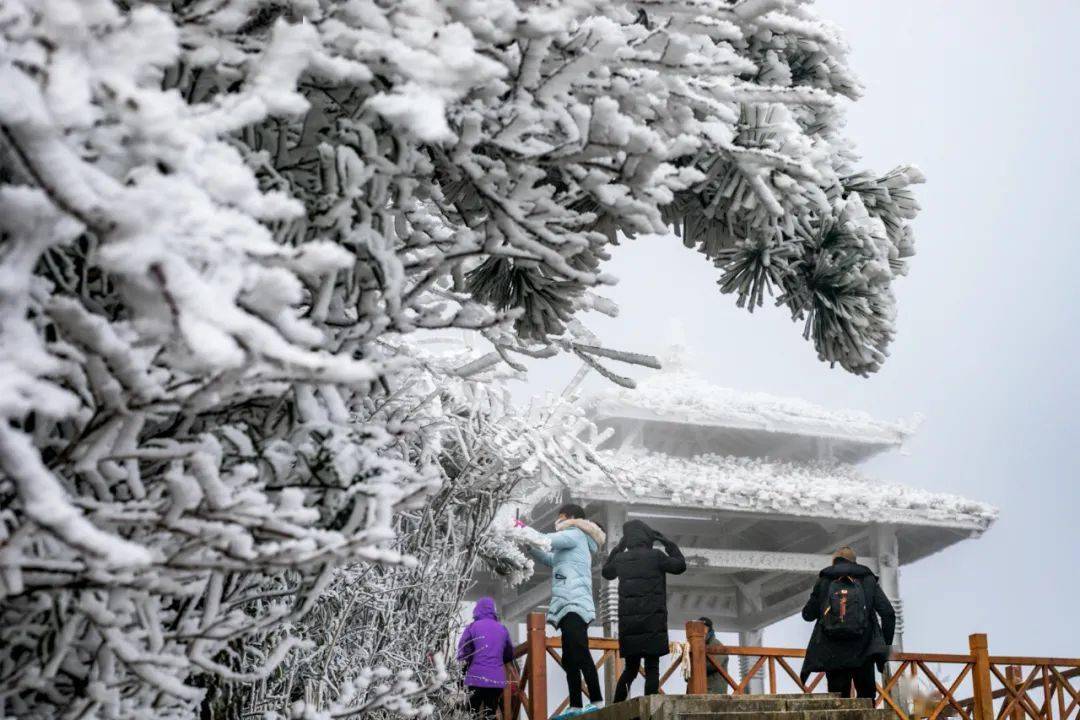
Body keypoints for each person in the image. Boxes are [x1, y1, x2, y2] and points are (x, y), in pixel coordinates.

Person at [529, 503, 607, 717]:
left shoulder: (575, 534)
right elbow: (550, 558)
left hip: (574, 604)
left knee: (580, 652)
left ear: (571, 517)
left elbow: (547, 540)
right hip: (566, 605)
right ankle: (575, 705)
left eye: (560, 516)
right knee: (570, 658)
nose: (558, 520)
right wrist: (528, 546)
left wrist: (524, 532)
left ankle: (598, 701)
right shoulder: (572, 544)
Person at [601, 520, 686, 703]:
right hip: (653, 622)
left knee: (630, 670)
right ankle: (651, 708)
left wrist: (618, 548)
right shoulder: (656, 556)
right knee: (652, 668)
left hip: (629, 624)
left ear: (628, 539)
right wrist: (667, 543)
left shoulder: (621, 559)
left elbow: (607, 573)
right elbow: (680, 566)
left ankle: (616, 707)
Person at [799, 546, 896, 699]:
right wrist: (884, 646)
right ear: (854, 561)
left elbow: (807, 615)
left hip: (833, 653)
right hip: (865, 650)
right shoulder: (867, 579)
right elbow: (888, 613)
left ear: (834, 561)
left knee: (839, 702)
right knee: (866, 699)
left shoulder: (825, 580)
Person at [457, 597, 515, 720]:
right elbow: (509, 652)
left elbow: (463, 650)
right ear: (492, 610)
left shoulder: (472, 627)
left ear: (477, 609)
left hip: (476, 678)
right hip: (496, 680)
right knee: (491, 711)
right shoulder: (502, 629)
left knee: (472, 712)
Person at [699, 617, 730, 694]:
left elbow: (711, 665)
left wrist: (691, 668)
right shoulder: (697, 646)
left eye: (704, 628)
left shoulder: (717, 645)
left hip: (714, 691)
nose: (701, 631)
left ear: (709, 630)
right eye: (699, 628)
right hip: (700, 691)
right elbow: (686, 677)